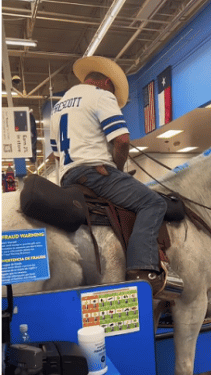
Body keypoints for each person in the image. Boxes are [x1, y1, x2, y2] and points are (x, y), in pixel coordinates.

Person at [50, 56, 175, 296]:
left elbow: (56, 155)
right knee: (153, 202)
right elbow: (121, 140)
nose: (116, 102)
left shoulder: (59, 105)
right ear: (107, 83)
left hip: (68, 178)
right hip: (94, 173)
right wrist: (116, 167)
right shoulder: (100, 95)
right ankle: (141, 269)